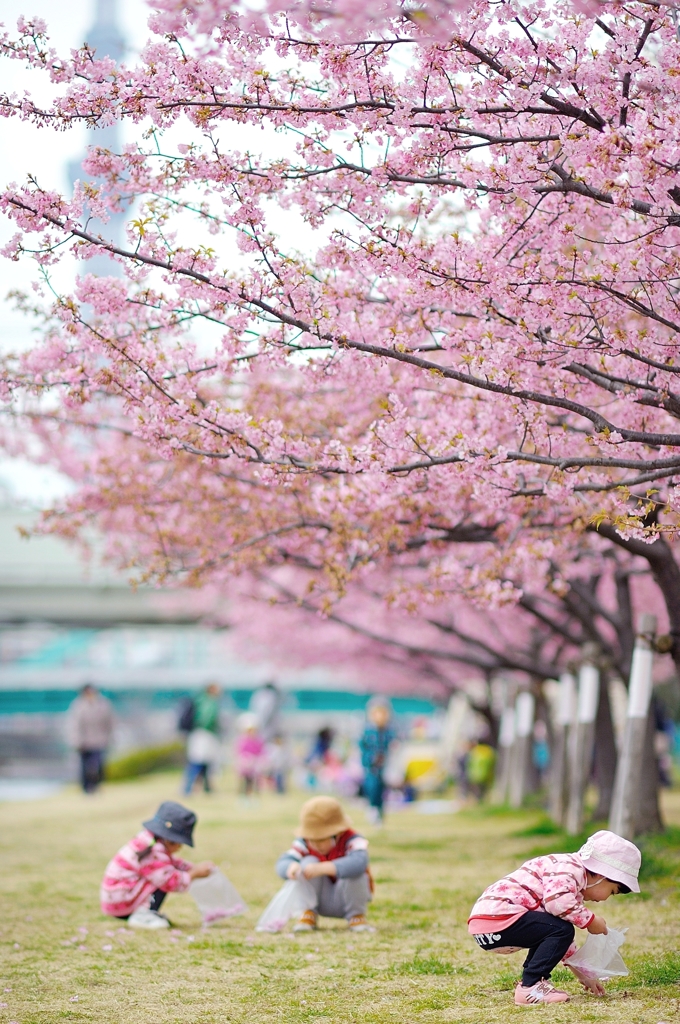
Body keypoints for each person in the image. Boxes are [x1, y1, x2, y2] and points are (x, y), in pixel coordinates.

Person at [468, 829, 641, 1006]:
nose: (604, 899)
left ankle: (533, 983)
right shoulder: (570, 869)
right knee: (561, 929)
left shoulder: (568, 877)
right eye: (612, 892)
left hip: (487, 928)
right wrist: (590, 920)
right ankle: (530, 986)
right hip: (500, 919)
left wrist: (584, 975)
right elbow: (556, 904)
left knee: (556, 929)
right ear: (603, 875)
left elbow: (560, 940)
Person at [100, 801, 214, 929]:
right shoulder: (152, 852)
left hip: (118, 899)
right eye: (179, 843)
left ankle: (144, 912)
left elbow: (172, 863)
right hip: (122, 902)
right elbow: (170, 881)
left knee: (164, 872)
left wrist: (191, 867)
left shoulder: (150, 841)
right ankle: (142, 916)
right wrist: (194, 874)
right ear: (169, 839)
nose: (180, 848)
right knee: (163, 877)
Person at [276, 796, 374, 933]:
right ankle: (308, 912)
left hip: (345, 898)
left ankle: (356, 915)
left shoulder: (352, 840)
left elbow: (360, 862)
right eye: (312, 839)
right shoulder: (304, 843)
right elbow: (283, 861)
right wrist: (290, 867)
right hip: (318, 898)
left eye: (321, 839)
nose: (315, 844)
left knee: (355, 872)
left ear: (337, 833)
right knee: (308, 862)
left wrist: (325, 867)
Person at [70, 684, 115, 793]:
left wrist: (109, 737)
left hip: (99, 741)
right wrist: (77, 740)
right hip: (84, 742)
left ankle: (96, 786)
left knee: (98, 765)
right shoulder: (78, 705)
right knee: (85, 767)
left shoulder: (103, 704)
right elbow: (74, 725)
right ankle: (86, 788)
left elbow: (110, 722)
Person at [359, 697, 394, 824]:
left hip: (384, 767)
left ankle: (380, 811)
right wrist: (370, 758)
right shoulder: (368, 731)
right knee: (372, 787)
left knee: (381, 790)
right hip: (371, 767)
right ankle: (372, 809)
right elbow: (362, 748)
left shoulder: (388, 731)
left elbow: (392, 745)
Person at [183, 683, 222, 795]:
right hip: (204, 735)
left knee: (204, 762)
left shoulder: (200, 700)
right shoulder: (209, 702)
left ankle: (206, 788)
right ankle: (188, 788)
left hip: (198, 734)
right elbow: (208, 720)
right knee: (198, 762)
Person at [235, 713, 265, 797]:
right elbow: (240, 752)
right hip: (245, 765)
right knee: (245, 780)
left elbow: (261, 751)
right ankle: (243, 794)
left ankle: (253, 794)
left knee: (254, 781)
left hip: (254, 765)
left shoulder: (258, 740)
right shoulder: (242, 740)